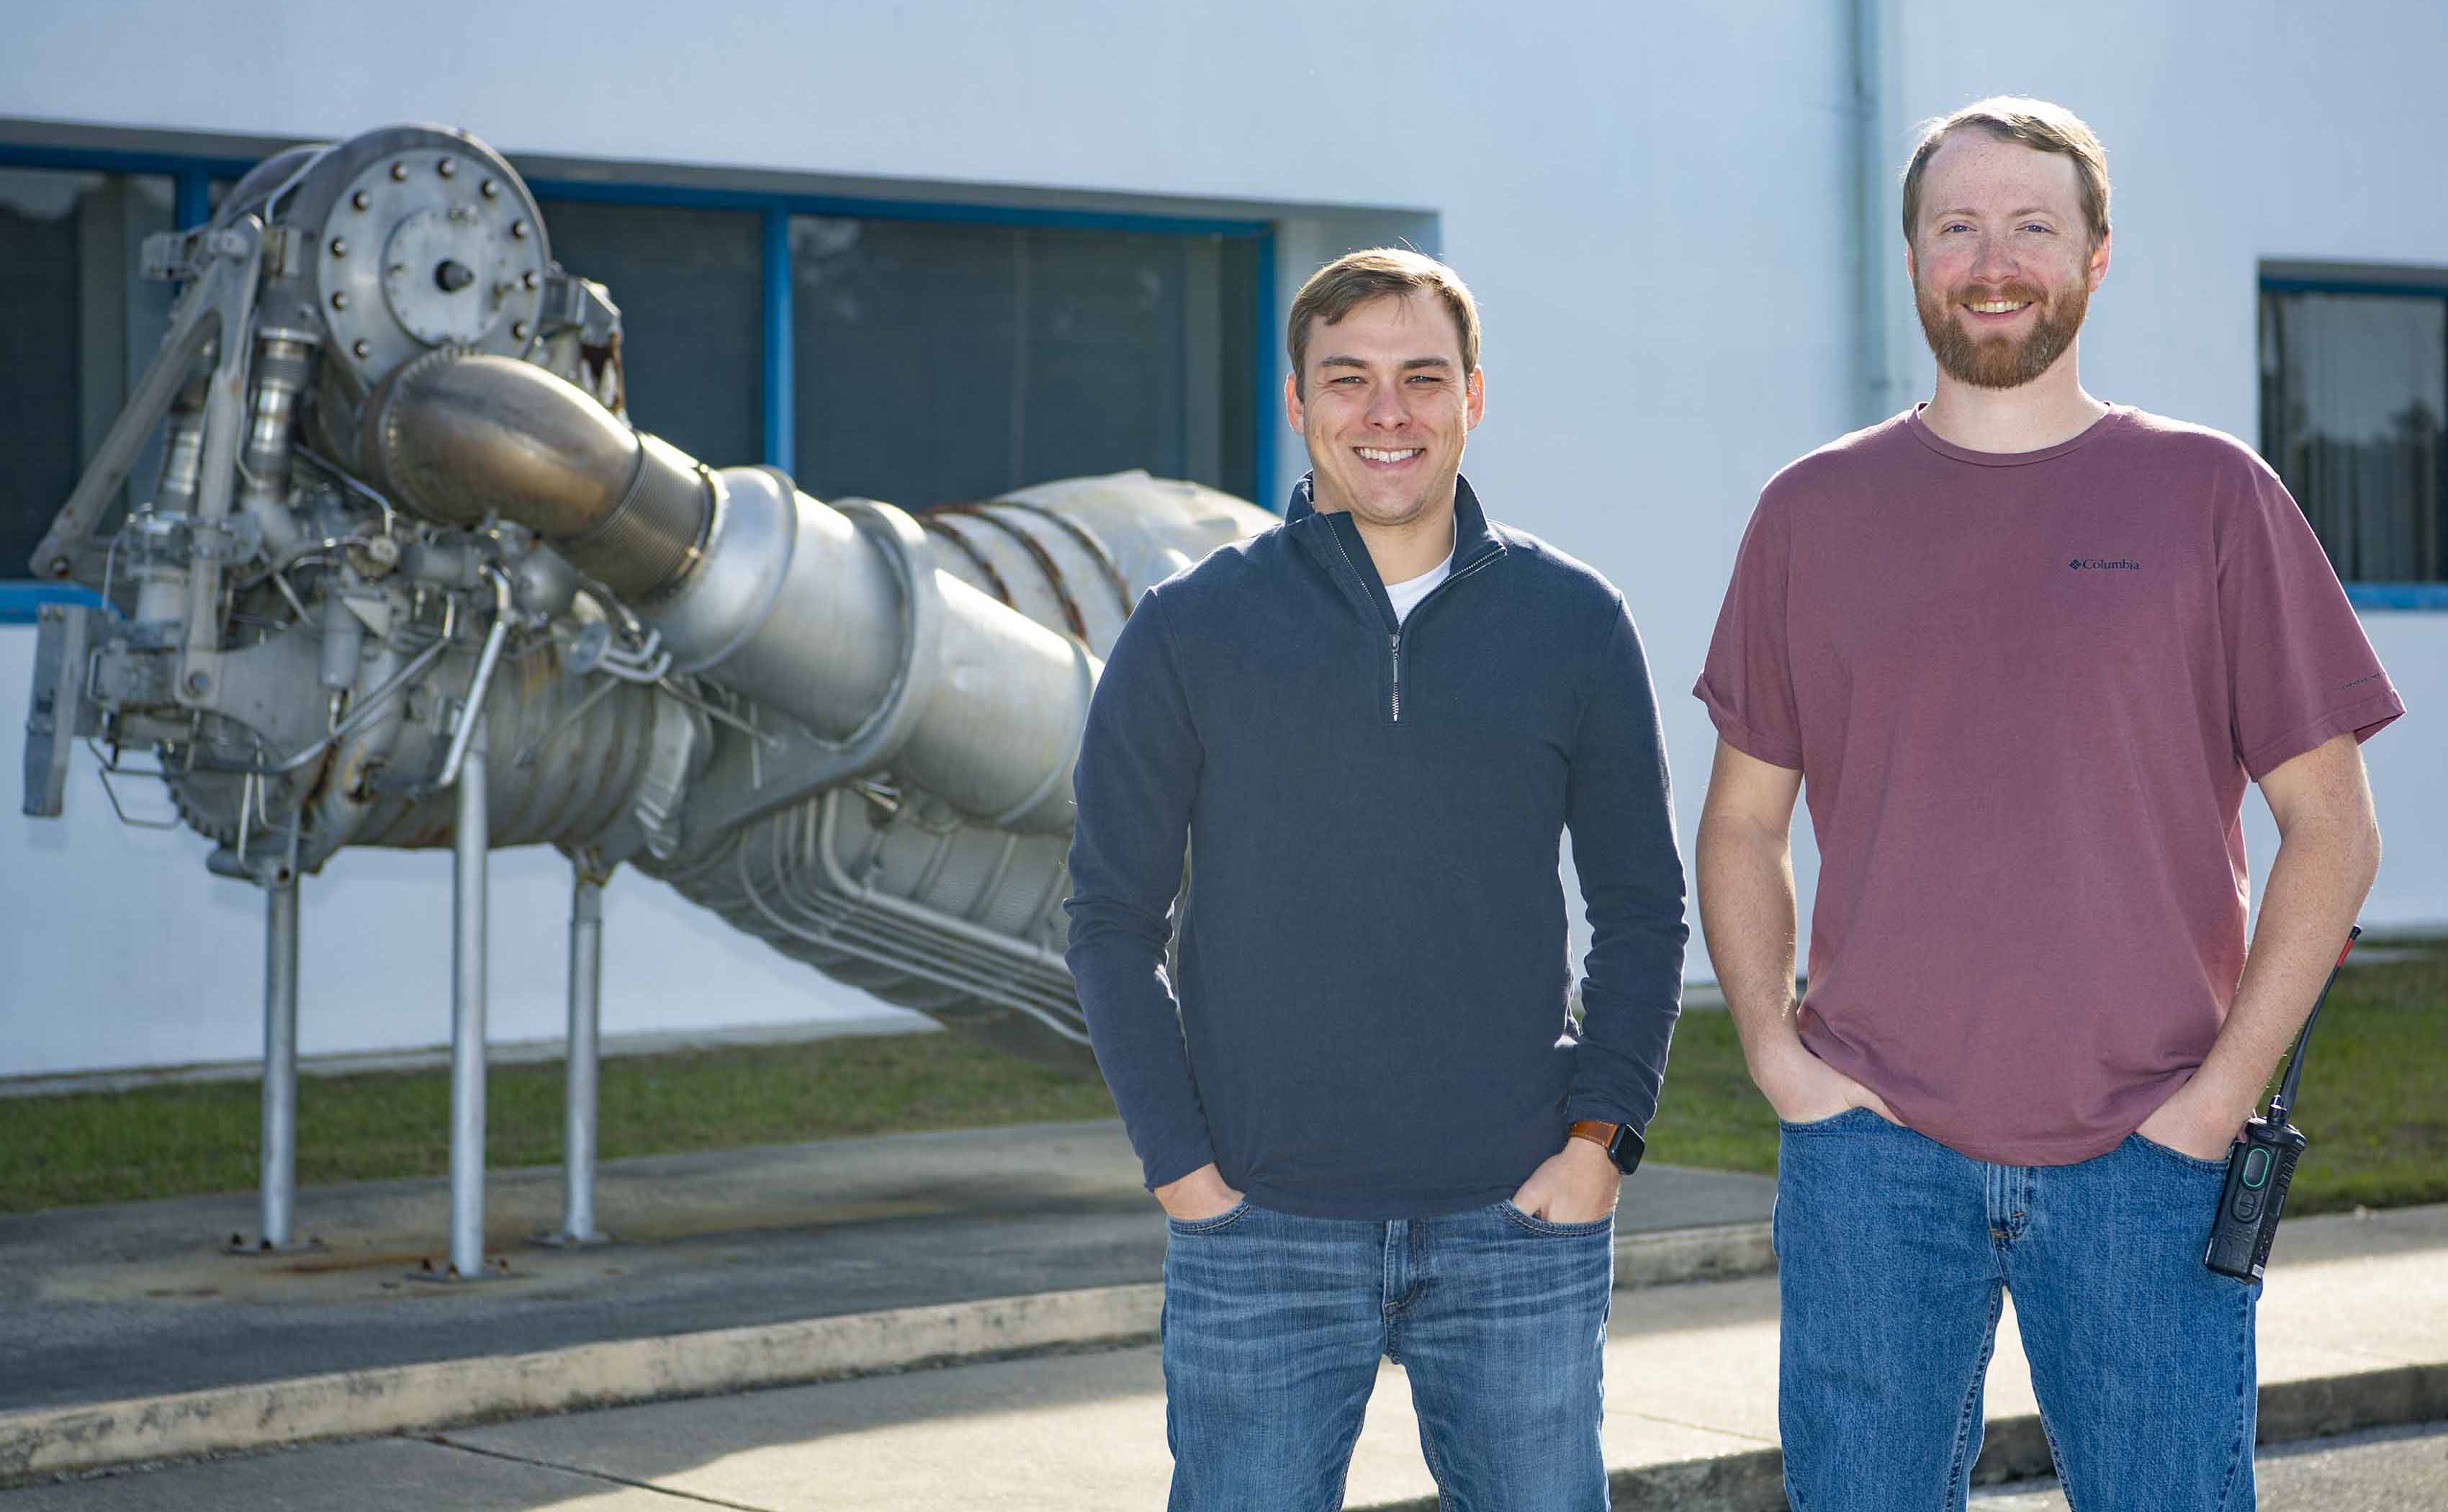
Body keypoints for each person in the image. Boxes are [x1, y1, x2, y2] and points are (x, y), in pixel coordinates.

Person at [1693, 97, 2400, 1511]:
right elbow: (1740, 823)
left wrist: (2217, 1099)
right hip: (1871, 1152)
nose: (1992, 258)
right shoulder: (1810, 511)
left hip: (2148, 1150)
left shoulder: (2209, 496)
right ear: (1910, 257)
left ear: (2094, 256)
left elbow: (2330, 827)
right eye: (1956, 226)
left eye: (2031, 225)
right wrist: (1778, 1057)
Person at [1064, 248, 1686, 1511]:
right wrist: (1185, 1172)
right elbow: (1108, 921)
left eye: (1421, 378)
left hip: (1518, 1224)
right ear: (1297, 403)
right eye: (1348, 380)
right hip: (1262, 1235)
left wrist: (1603, 1142)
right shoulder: (1193, 625)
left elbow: (1640, 905)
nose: (1387, 413)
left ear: (1474, 398)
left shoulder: (1574, 621)